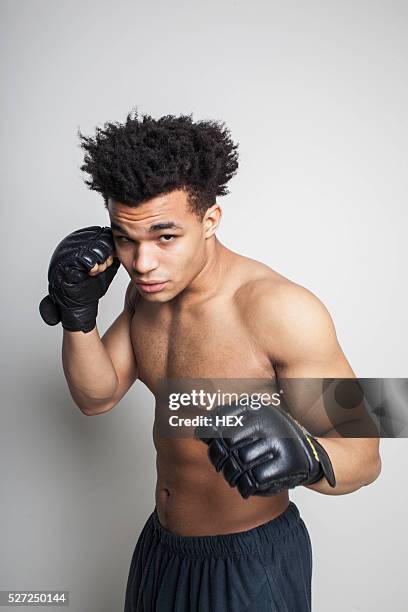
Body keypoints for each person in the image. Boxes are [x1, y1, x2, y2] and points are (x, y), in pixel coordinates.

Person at [39, 110, 381, 611]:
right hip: (163, 548)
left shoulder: (281, 309)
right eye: (125, 238)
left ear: (210, 220)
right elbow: (97, 396)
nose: (142, 262)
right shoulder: (148, 296)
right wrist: (78, 316)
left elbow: (367, 457)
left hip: (249, 560)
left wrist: (311, 457)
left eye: (165, 237)